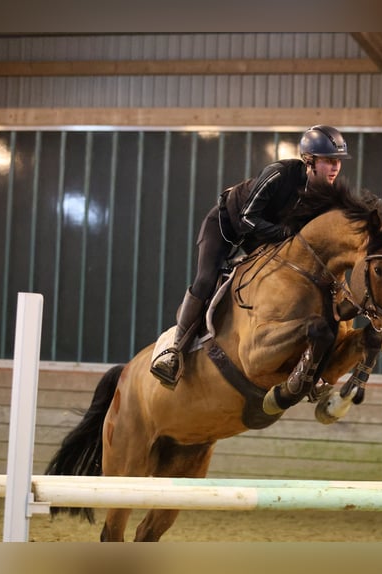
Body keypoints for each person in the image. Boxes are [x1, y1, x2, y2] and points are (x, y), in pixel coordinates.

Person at [150, 125, 351, 389]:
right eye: (328, 161)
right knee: (206, 279)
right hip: (227, 225)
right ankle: (175, 350)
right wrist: (283, 232)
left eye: (337, 161)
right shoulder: (278, 174)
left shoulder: (328, 196)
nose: (334, 167)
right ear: (309, 160)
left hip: (265, 237)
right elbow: (246, 219)